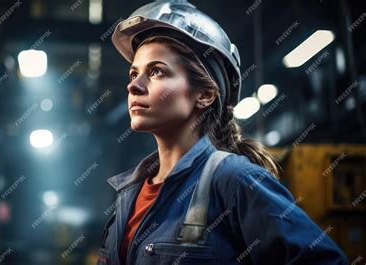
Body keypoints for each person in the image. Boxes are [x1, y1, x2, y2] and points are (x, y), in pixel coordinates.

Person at [98, 1, 348, 264]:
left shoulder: (234, 180)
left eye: (156, 71)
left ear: (204, 95)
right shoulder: (130, 193)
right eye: (134, 73)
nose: (134, 86)